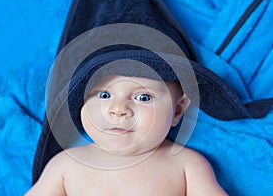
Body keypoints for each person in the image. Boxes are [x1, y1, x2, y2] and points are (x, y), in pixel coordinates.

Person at [25, 74, 227, 195]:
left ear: (177, 111)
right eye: (104, 95)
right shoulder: (65, 165)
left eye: (143, 97)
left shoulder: (186, 165)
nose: (118, 109)